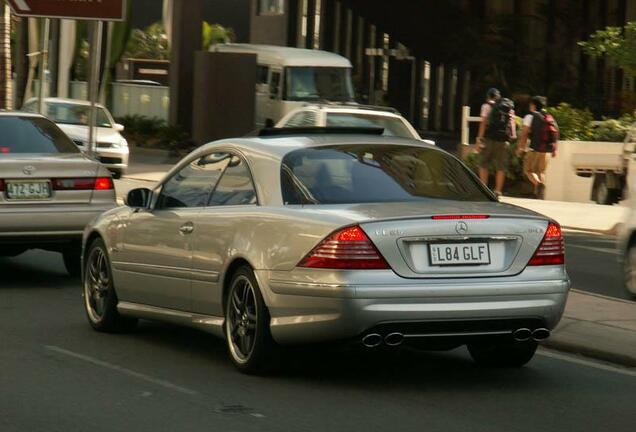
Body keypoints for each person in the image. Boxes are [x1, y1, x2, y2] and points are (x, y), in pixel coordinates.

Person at [517, 96, 560, 199]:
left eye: (531, 104)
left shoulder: (530, 117)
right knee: (541, 171)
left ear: (533, 105)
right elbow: (556, 133)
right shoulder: (549, 117)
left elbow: (524, 134)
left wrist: (521, 147)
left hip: (534, 148)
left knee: (528, 170)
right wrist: (555, 149)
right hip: (547, 150)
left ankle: (538, 184)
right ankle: (540, 193)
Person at [476, 88, 517, 197]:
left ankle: (484, 188)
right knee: (501, 166)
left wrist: (479, 138)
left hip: (489, 138)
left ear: (488, 97)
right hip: (503, 140)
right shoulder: (508, 108)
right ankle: (498, 191)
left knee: (483, 163)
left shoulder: (486, 106)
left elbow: (483, 123)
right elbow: (512, 123)